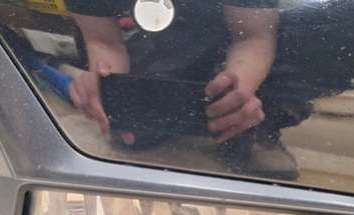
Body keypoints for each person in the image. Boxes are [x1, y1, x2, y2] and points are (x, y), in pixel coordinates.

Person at [64, 0, 300, 180]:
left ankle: (261, 123)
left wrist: (239, 90)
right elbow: (103, 41)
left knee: (309, 33)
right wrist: (110, 86)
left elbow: (252, 37)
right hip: (154, 38)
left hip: (224, 31)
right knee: (137, 130)